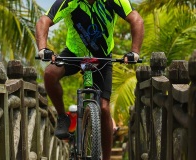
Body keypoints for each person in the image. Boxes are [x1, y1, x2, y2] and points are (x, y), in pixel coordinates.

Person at [35, 0, 144, 159]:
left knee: (105, 109)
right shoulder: (70, 2)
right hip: (74, 54)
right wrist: (42, 48)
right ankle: (62, 117)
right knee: (50, 74)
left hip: (102, 58)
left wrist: (135, 52)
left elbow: (136, 19)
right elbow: (44, 20)